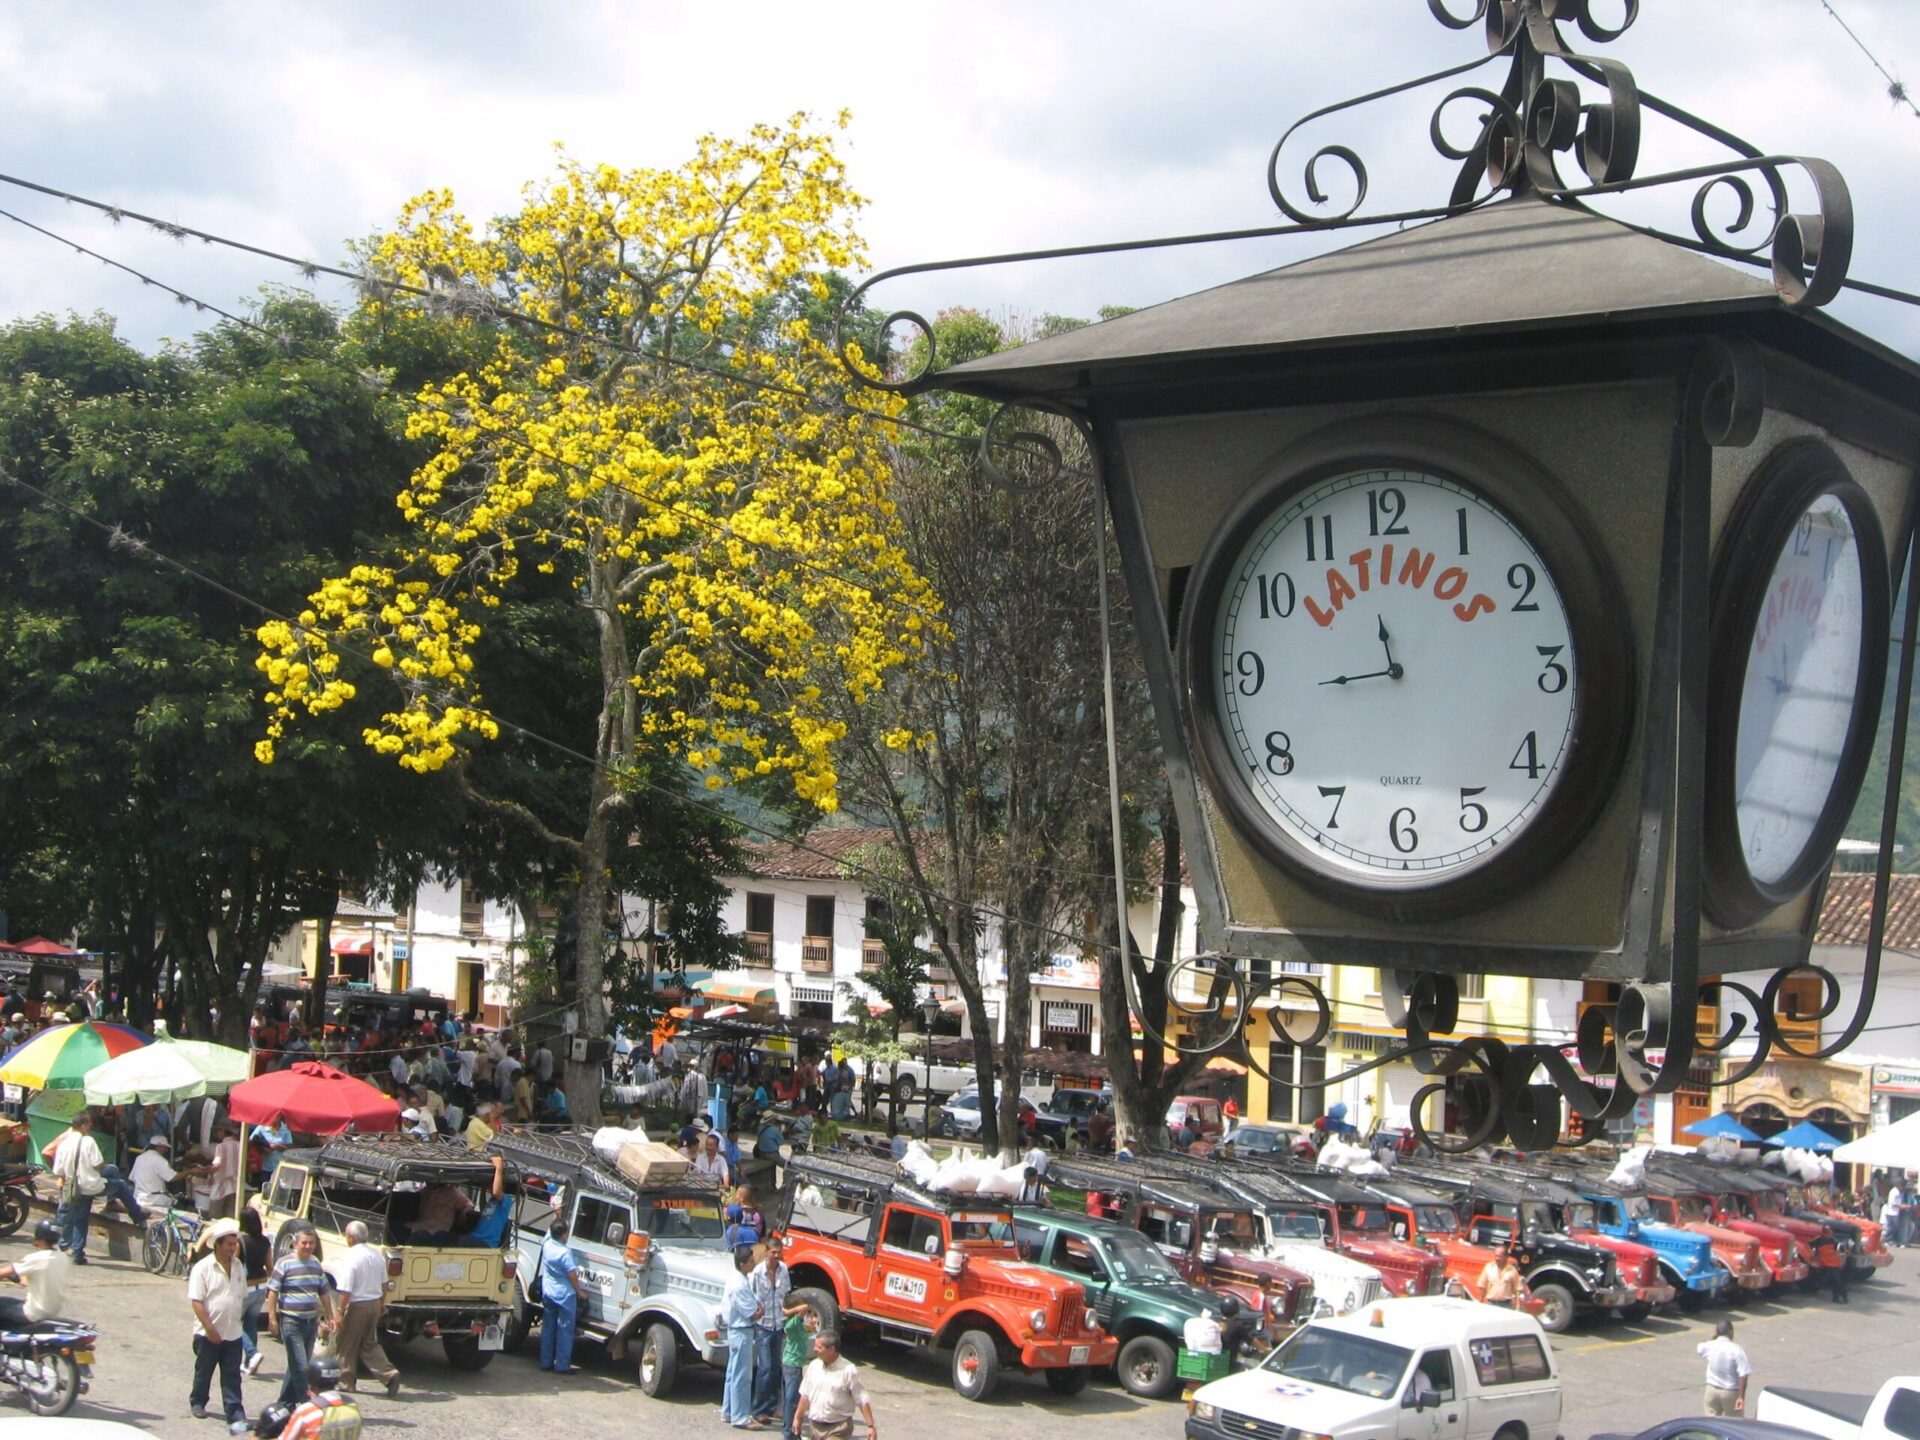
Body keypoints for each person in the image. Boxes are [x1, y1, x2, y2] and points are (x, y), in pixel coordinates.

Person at [189, 1216, 252, 1434]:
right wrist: (210, 1329)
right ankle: (198, 1401)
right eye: (229, 1244)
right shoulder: (203, 1268)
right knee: (204, 1371)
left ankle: (235, 1412)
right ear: (217, 1245)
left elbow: (241, 1296)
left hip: (233, 1333)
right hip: (208, 1334)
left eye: (235, 1244)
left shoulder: (238, 1267)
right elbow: (197, 1302)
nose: (233, 1248)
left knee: (232, 1375)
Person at [264, 1226, 339, 1408]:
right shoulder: (284, 1263)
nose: (307, 1246)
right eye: (304, 1243)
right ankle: (308, 1404)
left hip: (310, 1322)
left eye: (311, 1243)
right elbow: (273, 1291)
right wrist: (272, 1318)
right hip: (291, 1322)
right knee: (301, 1366)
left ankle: (284, 1404)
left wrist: (330, 1316)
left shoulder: (315, 1263)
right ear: (295, 1244)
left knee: (295, 1366)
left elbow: (324, 1291)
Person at [332, 1221, 401, 1396]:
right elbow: (384, 1283)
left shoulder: (351, 1256)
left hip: (358, 1305)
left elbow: (346, 1288)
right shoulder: (376, 1254)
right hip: (373, 1304)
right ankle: (389, 1374)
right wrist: (381, 1303)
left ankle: (345, 1381)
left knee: (346, 1344)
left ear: (351, 1238)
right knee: (369, 1343)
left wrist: (339, 1311)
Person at [791, 1329, 877, 1440]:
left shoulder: (848, 1370)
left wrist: (870, 1426)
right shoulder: (813, 1366)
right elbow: (805, 1395)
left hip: (839, 1429)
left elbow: (862, 1399)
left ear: (831, 1349)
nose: (814, 1349)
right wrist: (797, 1418)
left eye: (819, 1347)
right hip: (815, 1428)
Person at [537, 1217, 589, 1374]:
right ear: (563, 1235)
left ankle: (545, 1362)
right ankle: (562, 1366)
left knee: (548, 1329)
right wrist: (580, 1292)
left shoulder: (547, 1244)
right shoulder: (565, 1253)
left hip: (549, 1292)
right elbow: (572, 1275)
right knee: (565, 1331)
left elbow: (549, 1230)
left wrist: (557, 1215)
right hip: (565, 1295)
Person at [751, 1233, 792, 1424]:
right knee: (765, 1368)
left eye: (779, 1253)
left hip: (779, 1325)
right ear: (766, 1252)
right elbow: (751, 1296)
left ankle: (773, 1405)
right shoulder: (757, 1272)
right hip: (763, 1326)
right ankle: (759, 1409)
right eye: (773, 1253)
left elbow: (787, 1296)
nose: (776, 1256)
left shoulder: (784, 1270)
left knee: (776, 1368)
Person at [721, 1246, 762, 1429]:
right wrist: (759, 1309)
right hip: (741, 1331)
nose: (754, 1263)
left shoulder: (739, 1279)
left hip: (737, 1331)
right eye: (751, 1261)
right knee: (742, 1377)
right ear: (743, 1264)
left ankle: (729, 1411)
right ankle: (740, 1417)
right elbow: (754, 1312)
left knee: (732, 1373)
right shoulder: (739, 1284)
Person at [0, 1219, 71, 1326]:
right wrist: (19, 1277)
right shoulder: (63, 1257)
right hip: (51, 1311)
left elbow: (2, 1273)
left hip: (34, 1313)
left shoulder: (36, 1258)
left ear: (39, 1237)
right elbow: (27, 1281)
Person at [238, 1209, 273, 1376]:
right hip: (262, 1285)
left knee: (235, 1324)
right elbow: (270, 1266)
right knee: (251, 1324)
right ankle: (249, 1363)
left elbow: (235, 1265)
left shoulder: (241, 1241)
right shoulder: (265, 1242)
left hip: (246, 1286)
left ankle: (253, 1354)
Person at [1698, 1319, 1751, 1416]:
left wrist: (1713, 1337)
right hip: (1730, 1392)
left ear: (1717, 1332)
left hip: (1711, 1390)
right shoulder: (1736, 1350)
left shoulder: (1710, 1345)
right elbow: (1743, 1375)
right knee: (1735, 1424)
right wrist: (1741, 1397)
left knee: (1711, 1424)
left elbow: (1700, 1348)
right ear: (1730, 1332)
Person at [780, 1299, 817, 1437]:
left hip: (794, 1365)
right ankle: (790, 1433)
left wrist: (812, 1321)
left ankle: (789, 1430)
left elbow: (809, 1328)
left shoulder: (799, 1324)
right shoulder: (793, 1323)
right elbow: (805, 1307)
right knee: (792, 1401)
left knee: (789, 1400)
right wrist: (788, 1311)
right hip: (792, 1366)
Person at [1478, 1242, 1528, 1308]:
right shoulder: (1489, 1267)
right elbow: (1483, 1286)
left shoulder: (1512, 1270)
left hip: (1505, 1305)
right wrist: (1480, 1302)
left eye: (1499, 1256)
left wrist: (1517, 1306)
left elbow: (1517, 1289)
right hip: (1490, 1304)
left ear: (1506, 1257)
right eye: (1496, 1256)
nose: (1497, 1258)